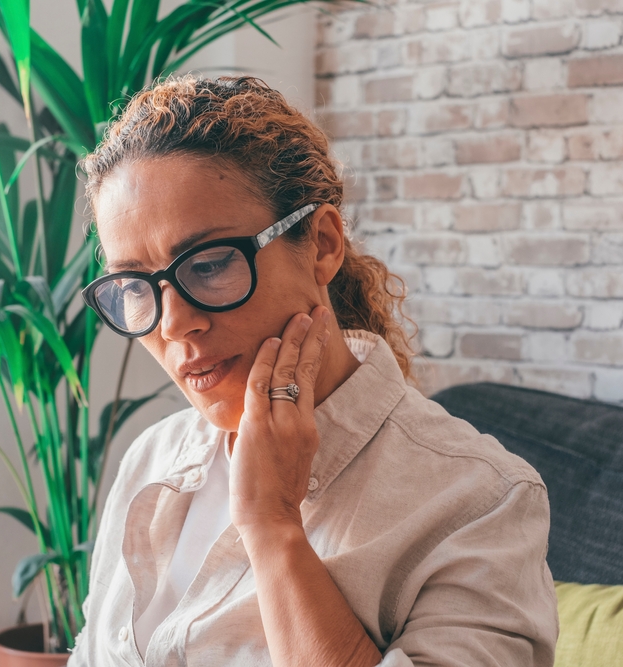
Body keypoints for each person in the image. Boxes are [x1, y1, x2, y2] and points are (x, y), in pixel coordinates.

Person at [70, 75, 558, 667]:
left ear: (323, 244)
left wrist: (272, 526)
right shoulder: (153, 458)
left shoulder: (481, 500)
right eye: (133, 286)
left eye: (211, 264)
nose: (173, 325)